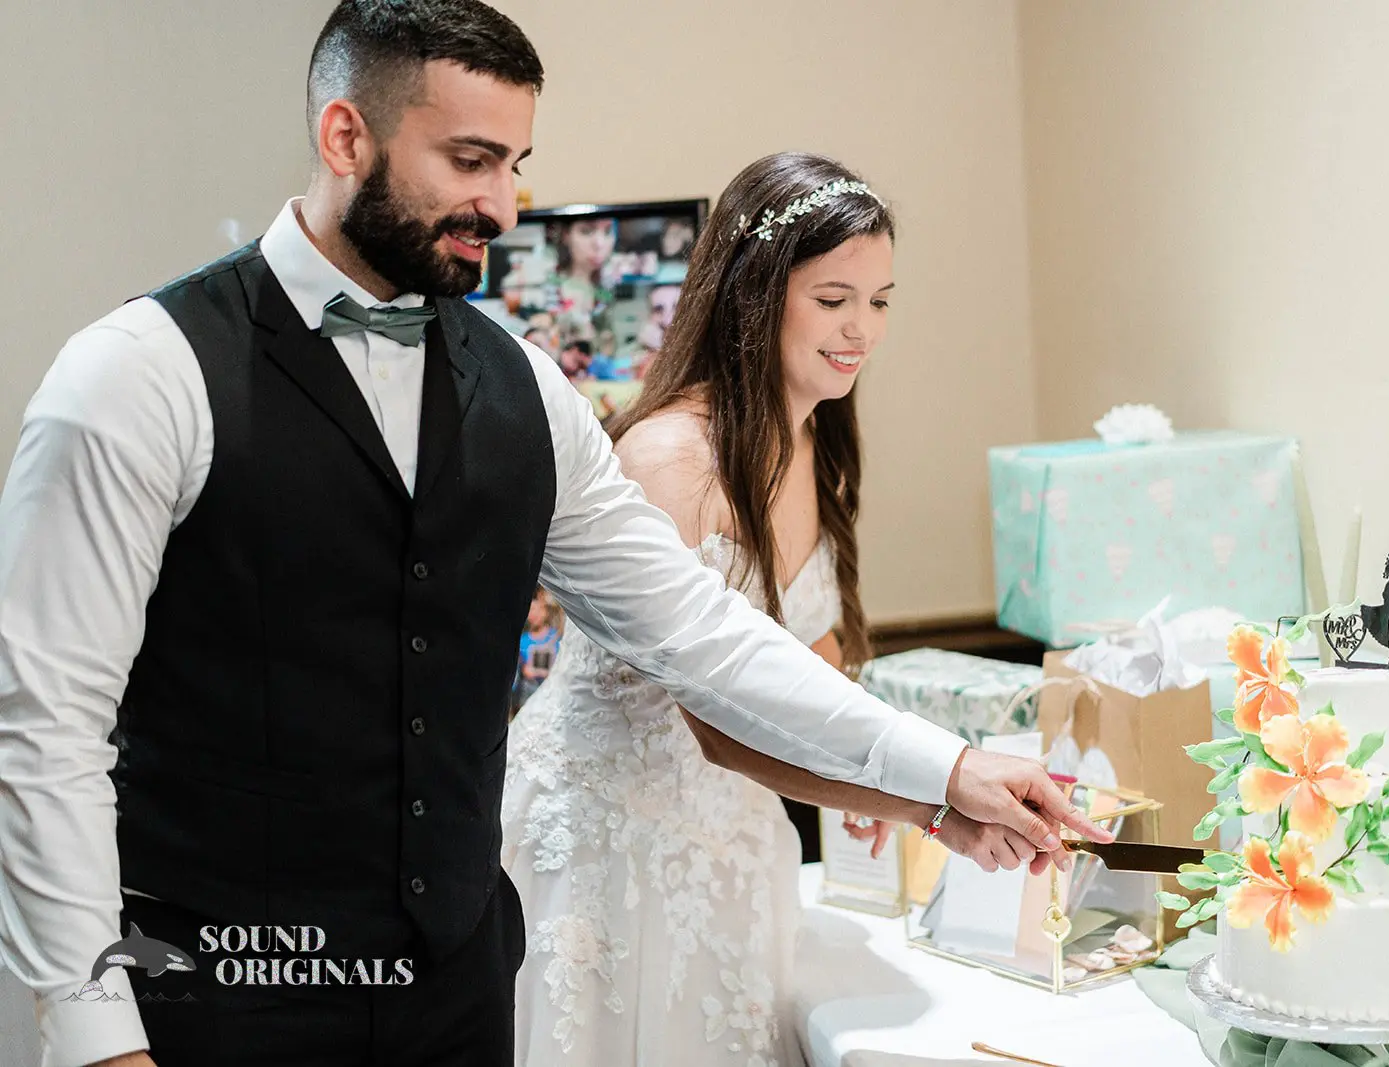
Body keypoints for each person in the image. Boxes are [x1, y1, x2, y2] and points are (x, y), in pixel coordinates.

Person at [0, 4, 1103, 1067]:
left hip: (457, 991)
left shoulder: (526, 390)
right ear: (346, 137)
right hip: (223, 992)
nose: (504, 205)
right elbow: (46, 728)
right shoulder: (137, 374)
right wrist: (95, 1030)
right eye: (470, 161)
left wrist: (944, 773)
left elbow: (698, 630)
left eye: (515, 163)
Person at [501, 152, 1079, 1067]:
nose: (862, 329)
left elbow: (810, 650)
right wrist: (921, 798)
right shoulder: (670, 461)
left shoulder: (813, 441)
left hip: (735, 836)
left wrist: (878, 773)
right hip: (611, 844)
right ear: (756, 297)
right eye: (834, 298)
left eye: (880, 300)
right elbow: (722, 722)